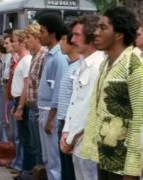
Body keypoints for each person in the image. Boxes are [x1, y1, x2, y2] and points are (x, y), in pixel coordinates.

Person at [81, 7, 143, 179]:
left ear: (119, 35)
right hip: (105, 154)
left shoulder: (135, 67)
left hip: (123, 163)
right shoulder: (106, 64)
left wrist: (131, 170)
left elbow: (139, 122)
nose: (95, 32)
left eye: (103, 28)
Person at [60, 15, 105, 180]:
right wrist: (66, 131)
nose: (72, 39)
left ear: (92, 36)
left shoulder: (99, 66)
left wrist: (71, 138)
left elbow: (91, 108)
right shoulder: (82, 64)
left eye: (77, 35)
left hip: (88, 144)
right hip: (76, 143)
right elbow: (75, 103)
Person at [36, 13, 67, 180]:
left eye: (42, 31)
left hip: (51, 113)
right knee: (47, 158)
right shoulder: (49, 55)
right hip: (44, 110)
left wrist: (49, 119)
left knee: (54, 160)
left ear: (53, 33)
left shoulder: (59, 57)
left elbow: (59, 91)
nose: (39, 35)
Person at [57, 25, 81, 180]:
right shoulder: (69, 65)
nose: (61, 43)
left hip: (71, 123)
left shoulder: (79, 67)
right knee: (65, 165)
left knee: (71, 168)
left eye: (64, 39)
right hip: (64, 122)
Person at [24, 23, 47, 167]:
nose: (25, 41)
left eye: (28, 37)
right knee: (34, 145)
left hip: (37, 109)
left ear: (38, 38)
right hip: (32, 108)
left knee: (39, 148)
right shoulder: (35, 56)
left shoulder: (43, 56)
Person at [11, 29, 33, 177]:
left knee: (26, 139)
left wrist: (20, 107)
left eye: (14, 41)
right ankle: (24, 169)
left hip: (22, 102)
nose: (12, 43)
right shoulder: (21, 60)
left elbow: (27, 85)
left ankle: (27, 170)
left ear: (21, 42)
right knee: (23, 137)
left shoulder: (26, 61)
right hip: (18, 100)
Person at [3, 34, 23, 172]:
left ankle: (19, 162)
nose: (7, 45)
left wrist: (19, 106)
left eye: (10, 42)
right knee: (15, 133)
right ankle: (16, 160)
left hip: (17, 100)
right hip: (12, 98)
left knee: (18, 136)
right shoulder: (13, 59)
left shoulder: (21, 60)